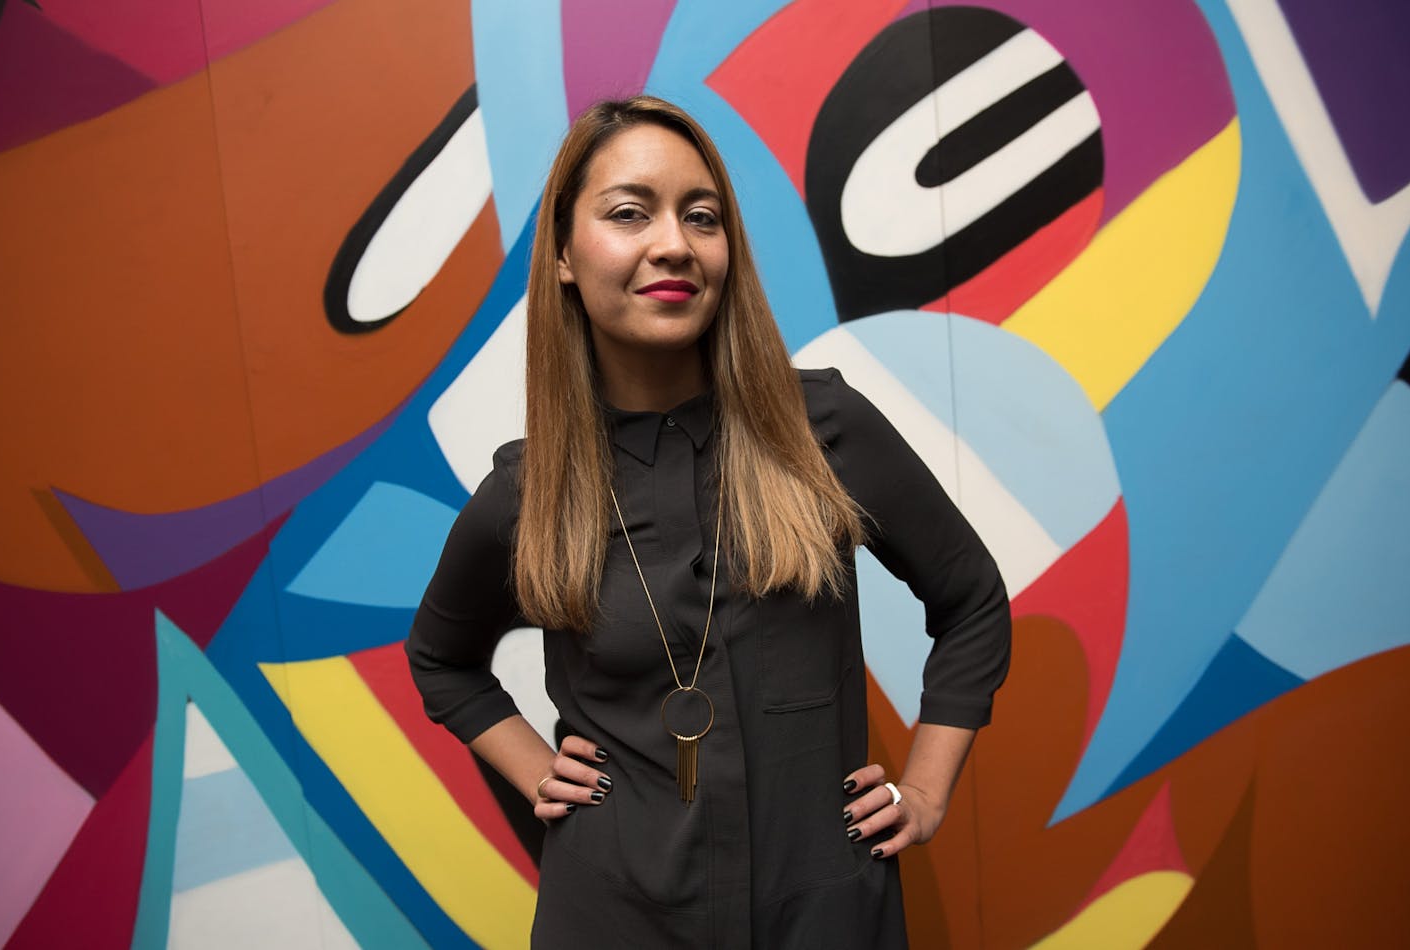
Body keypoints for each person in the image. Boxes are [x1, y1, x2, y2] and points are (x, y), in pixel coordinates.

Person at [407, 95, 1010, 949]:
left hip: (825, 914)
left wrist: (927, 789)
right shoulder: (527, 490)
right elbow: (440, 658)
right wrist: (532, 766)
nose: (674, 245)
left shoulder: (826, 432)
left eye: (702, 217)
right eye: (628, 213)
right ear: (565, 257)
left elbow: (972, 600)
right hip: (613, 915)